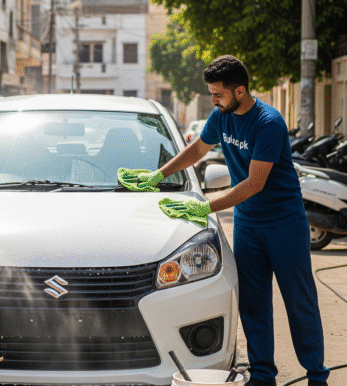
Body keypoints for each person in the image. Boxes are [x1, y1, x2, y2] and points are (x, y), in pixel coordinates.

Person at [138, 55, 328, 386]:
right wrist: (158, 174)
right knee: (253, 303)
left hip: (284, 223)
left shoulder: (268, 123)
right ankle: (264, 375)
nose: (213, 100)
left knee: (299, 301)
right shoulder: (220, 117)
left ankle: (316, 375)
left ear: (239, 91)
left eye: (218, 94)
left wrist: (205, 207)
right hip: (248, 225)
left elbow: (255, 183)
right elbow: (197, 150)